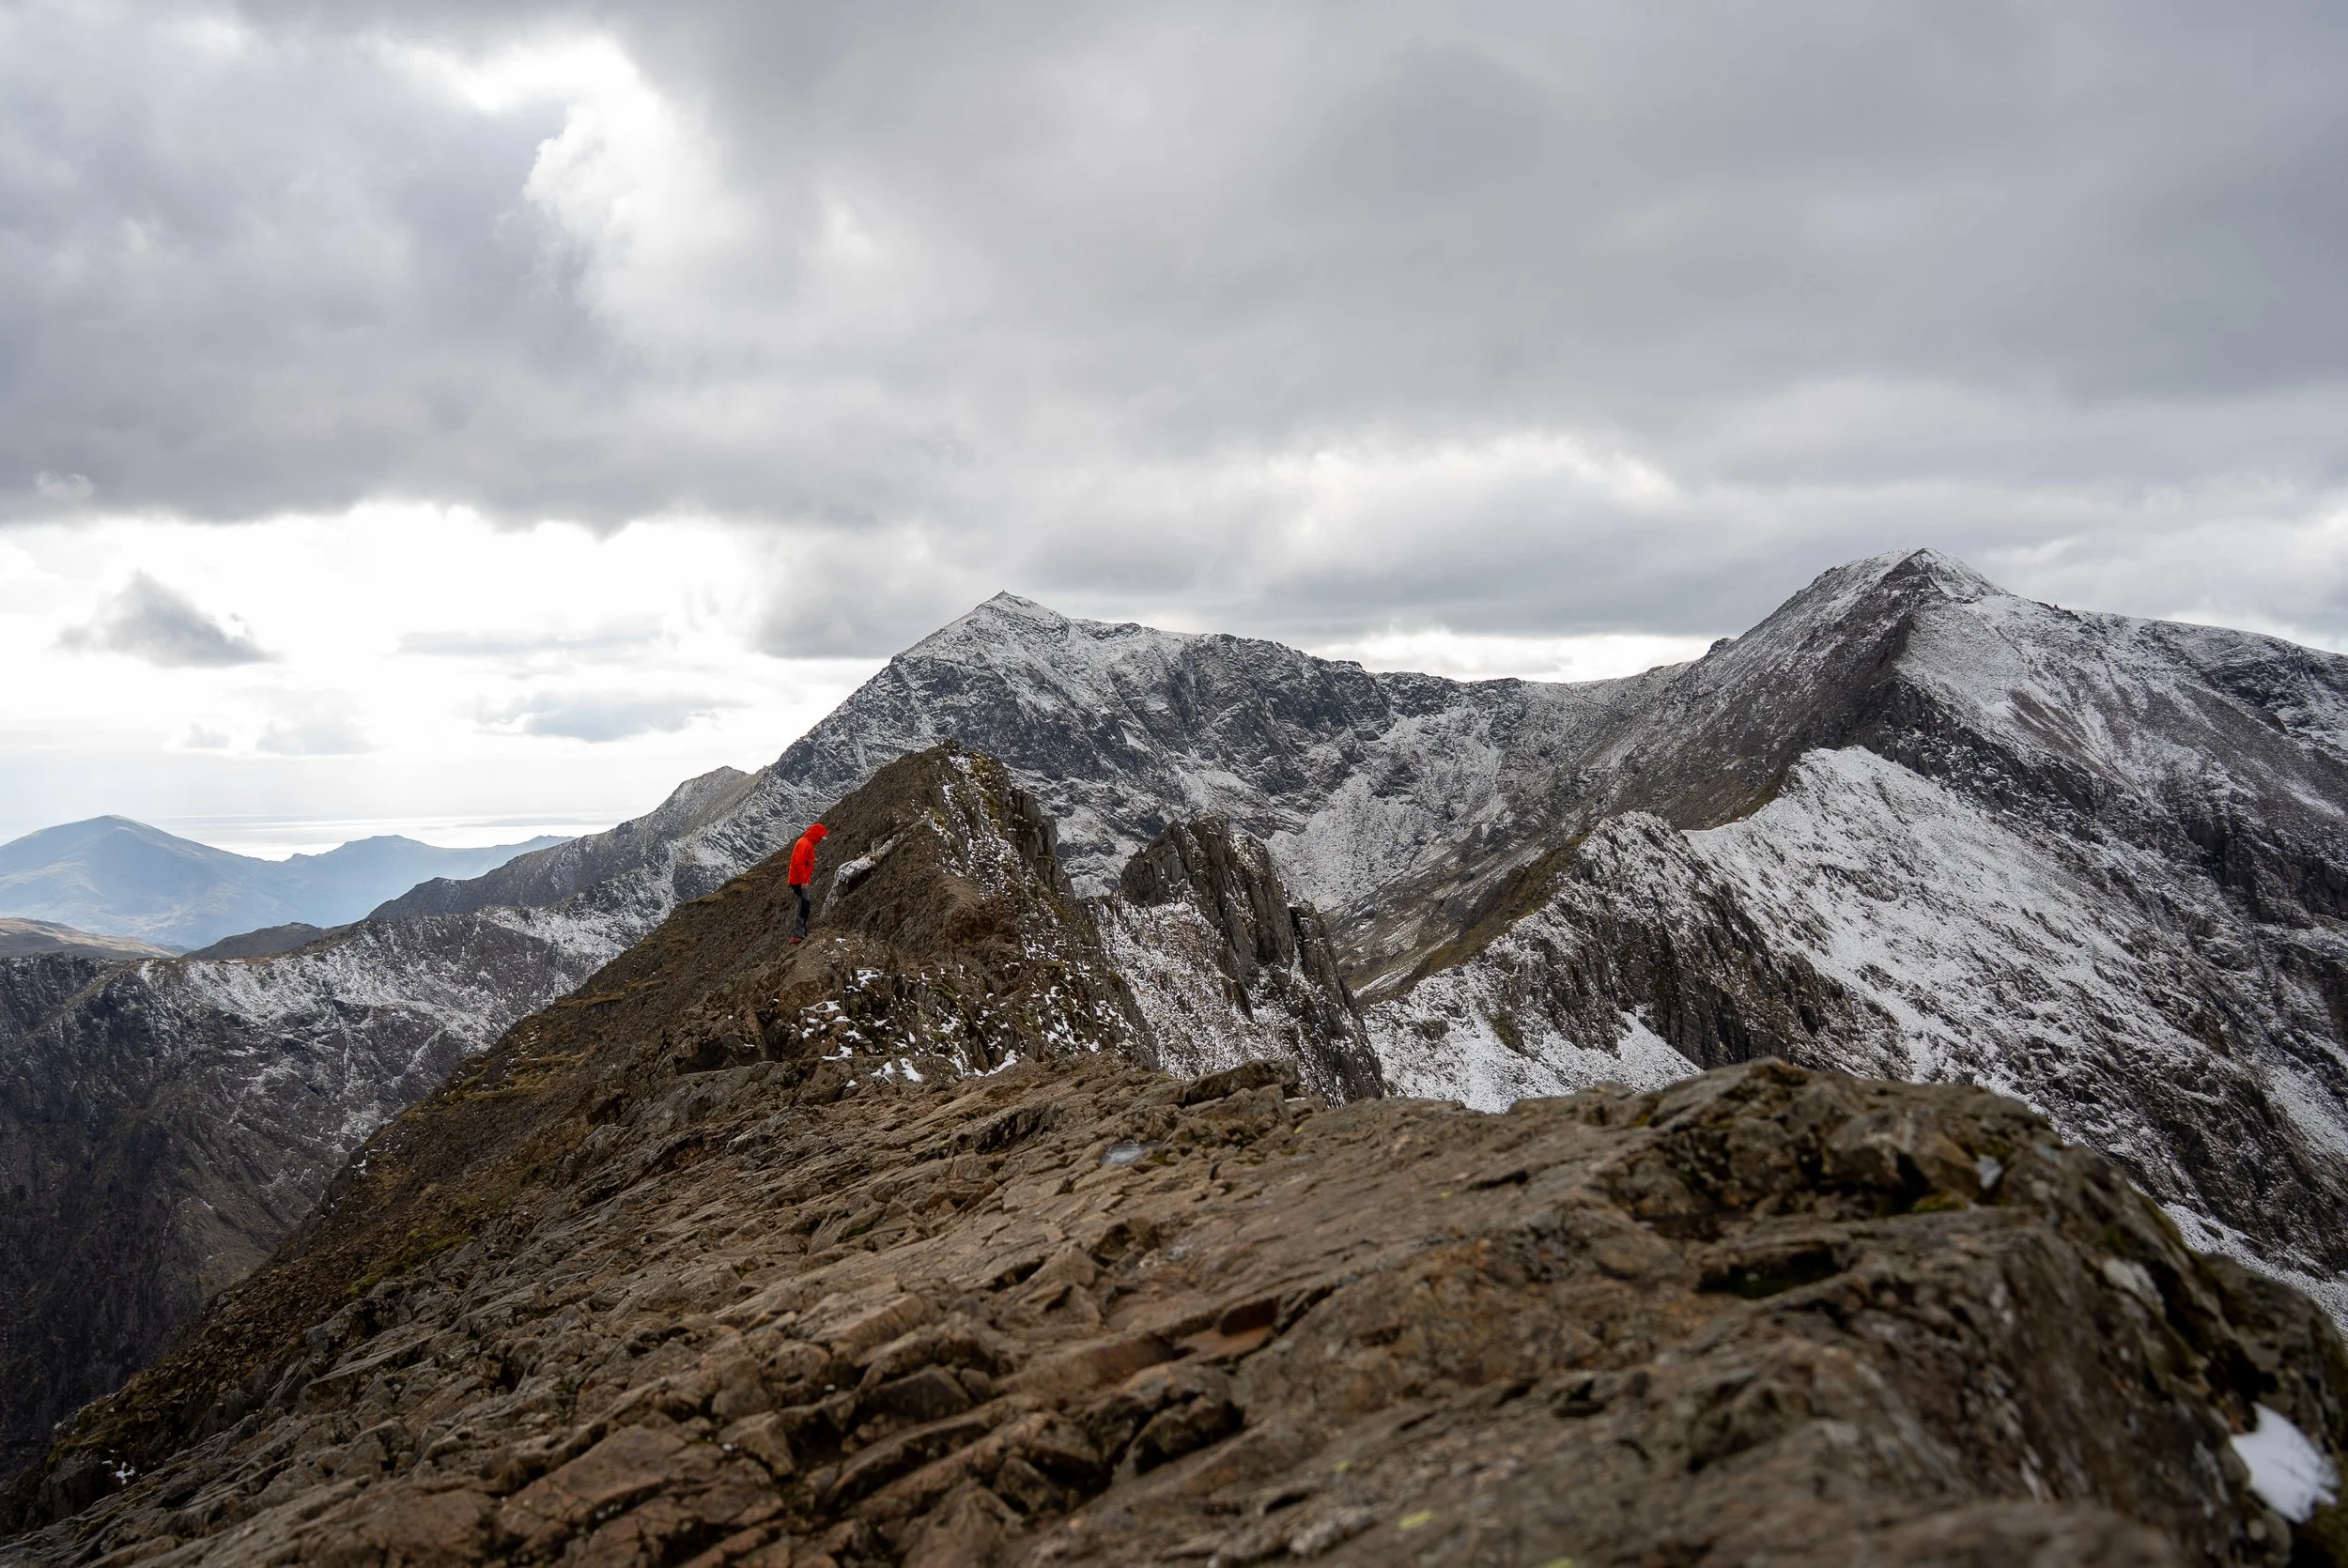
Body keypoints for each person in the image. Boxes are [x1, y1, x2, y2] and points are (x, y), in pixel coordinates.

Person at [787, 822, 827, 942]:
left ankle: (801, 932)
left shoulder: (805, 843)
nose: (820, 840)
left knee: (804, 905)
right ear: (816, 835)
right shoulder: (804, 844)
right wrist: (804, 880)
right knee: (803, 906)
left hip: (799, 880)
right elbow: (799, 863)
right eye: (820, 837)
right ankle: (798, 934)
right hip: (799, 881)